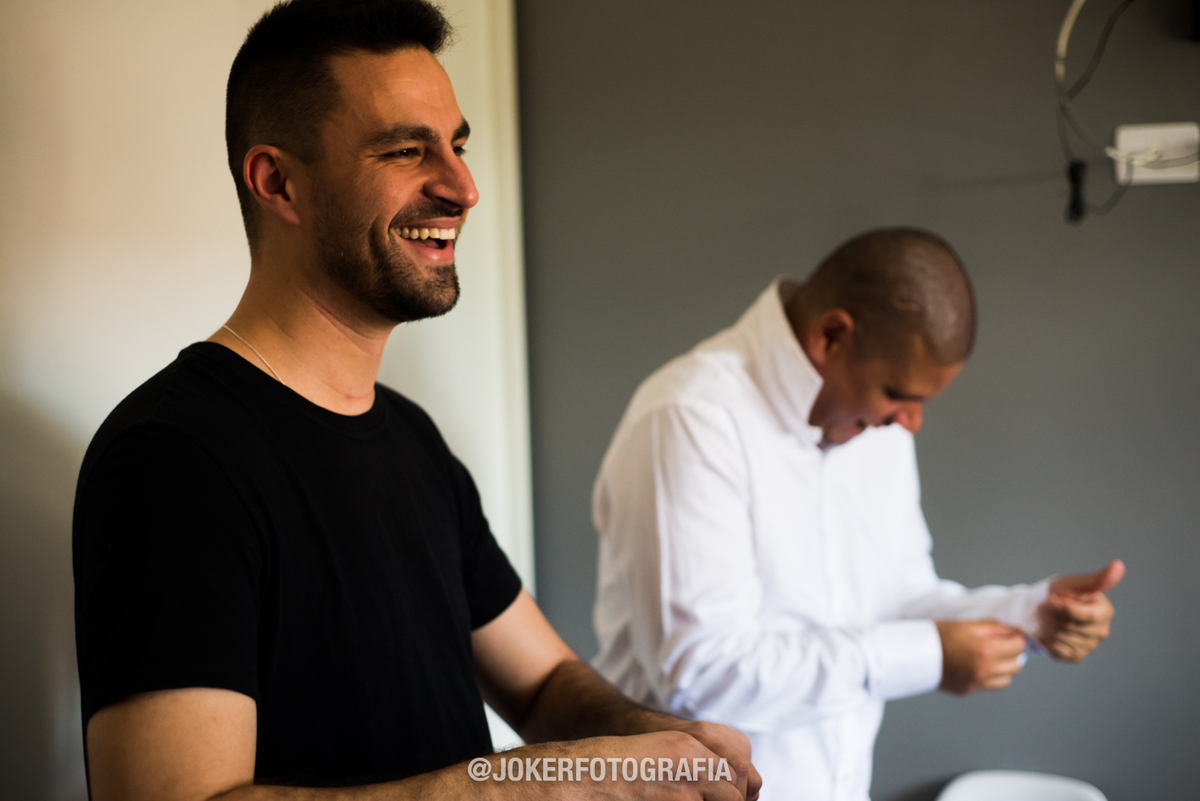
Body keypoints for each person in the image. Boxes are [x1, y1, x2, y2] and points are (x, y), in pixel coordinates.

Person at [72, 2, 762, 800]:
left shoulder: (412, 439)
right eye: (406, 149)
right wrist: (532, 787)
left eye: (458, 144)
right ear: (279, 182)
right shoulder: (172, 458)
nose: (463, 187)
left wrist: (649, 739)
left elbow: (544, 685)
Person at [590, 229, 1123, 801]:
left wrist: (1031, 614)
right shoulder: (690, 418)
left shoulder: (875, 423)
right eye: (899, 393)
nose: (913, 423)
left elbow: (899, 598)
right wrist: (930, 656)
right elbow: (703, 678)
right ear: (832, 336)